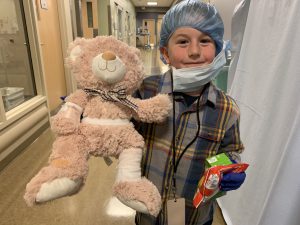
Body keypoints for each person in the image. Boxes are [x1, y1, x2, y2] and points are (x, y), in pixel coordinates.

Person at [135, 0, 246, 224]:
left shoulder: (227, 110)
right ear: (165, 52)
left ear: (217, 49)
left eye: (205, 41)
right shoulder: (146, 91)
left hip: (195, 215)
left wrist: (230, 168)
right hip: (148, 213)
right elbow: (120, 126)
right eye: (183, 42)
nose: (194, 51)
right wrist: (94, 112)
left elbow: (231, 150)